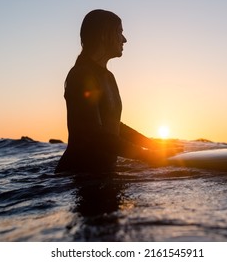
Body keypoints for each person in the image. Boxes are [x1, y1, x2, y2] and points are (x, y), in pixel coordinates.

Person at [55, 9, 181, 173]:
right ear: (103, 35)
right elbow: (94, 135)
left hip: (101, 173)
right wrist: (147, 155)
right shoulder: (81, 75)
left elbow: (114, 126)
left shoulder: (108, 77)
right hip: (79, 174)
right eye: (119, 32)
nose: (124, 39)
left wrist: (156, 146)